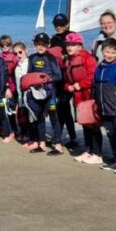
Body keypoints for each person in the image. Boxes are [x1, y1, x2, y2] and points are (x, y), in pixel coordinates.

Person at [93, 38, 116, 170]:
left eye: (112, 53)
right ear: (102, 51)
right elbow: (95, 87)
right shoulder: (100, 68)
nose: (109, 55)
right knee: (111, 135)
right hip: (104, 109)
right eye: (106, 52)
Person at [62, 32, 98, 162]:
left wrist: (79, 85)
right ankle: (88, 150)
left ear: (80, 46)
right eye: (68, 45)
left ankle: (97, 153)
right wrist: (68, 87)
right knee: (84, 123)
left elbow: (93, 76)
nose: (69, 47)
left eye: (73, 44)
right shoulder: (68, 61)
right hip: (77, 97)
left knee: (93, 123)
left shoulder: (87, 58)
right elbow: (66, 81)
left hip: (89, 94)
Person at [26, 33, 62, 154]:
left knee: (53, 118)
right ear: (35, 45)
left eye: (43, 44)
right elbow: (29, 74)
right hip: (36, 93)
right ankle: (42, 144)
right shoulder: (32, 58)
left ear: (48, 45)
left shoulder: (51, 58)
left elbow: (58, 76)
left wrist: (45, 79)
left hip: (50, 93)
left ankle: (58, 146)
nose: (40, 47)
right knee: (39, 117)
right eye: (38, 44)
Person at [48, 13, 78, 149]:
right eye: (56, 24)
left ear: (67, 24)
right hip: (57, 79)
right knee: (60, 109)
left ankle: (71, 137)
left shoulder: (72, 36)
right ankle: (60, 136)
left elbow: (78, 54)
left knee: (65, 107)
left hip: (69, 78)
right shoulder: (53, 39)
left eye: (61, 24)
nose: (58, 27)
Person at [0, 35, 20, 138]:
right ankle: (6, 129)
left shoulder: (14, 57)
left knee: (12, 109)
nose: (5, 47)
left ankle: (14, 130)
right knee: (4, 109)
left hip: (13, 85)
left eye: (7, 45)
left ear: (10, 45)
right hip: (1, 86)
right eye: (2, 45)